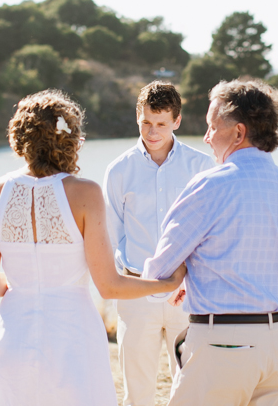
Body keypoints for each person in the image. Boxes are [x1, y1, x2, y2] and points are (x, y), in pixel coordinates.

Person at [0, 90, 186, 406]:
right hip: (71, 334)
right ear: (71, 139)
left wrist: (29, 289)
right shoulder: (85, 193)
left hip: (12, 333)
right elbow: (109, 286)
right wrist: (168, 282)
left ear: (19, 137)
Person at [142, 79, 278, 406]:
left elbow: (158, 276)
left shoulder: (209, 186)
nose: (207, 137)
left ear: (238, 133)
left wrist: (183, 276)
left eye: (212, 127)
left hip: (225, 345)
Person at [103, 81, 215, 406]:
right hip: (136, 294)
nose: (153, 132)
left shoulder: (201, 167)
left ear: (177, 121)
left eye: (161, 124)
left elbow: (210, 232)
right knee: (137, 394)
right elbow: (110, 236)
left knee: (192, 389)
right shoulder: (118, 171)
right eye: (146, 122)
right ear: (138, 116)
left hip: (187, 295)